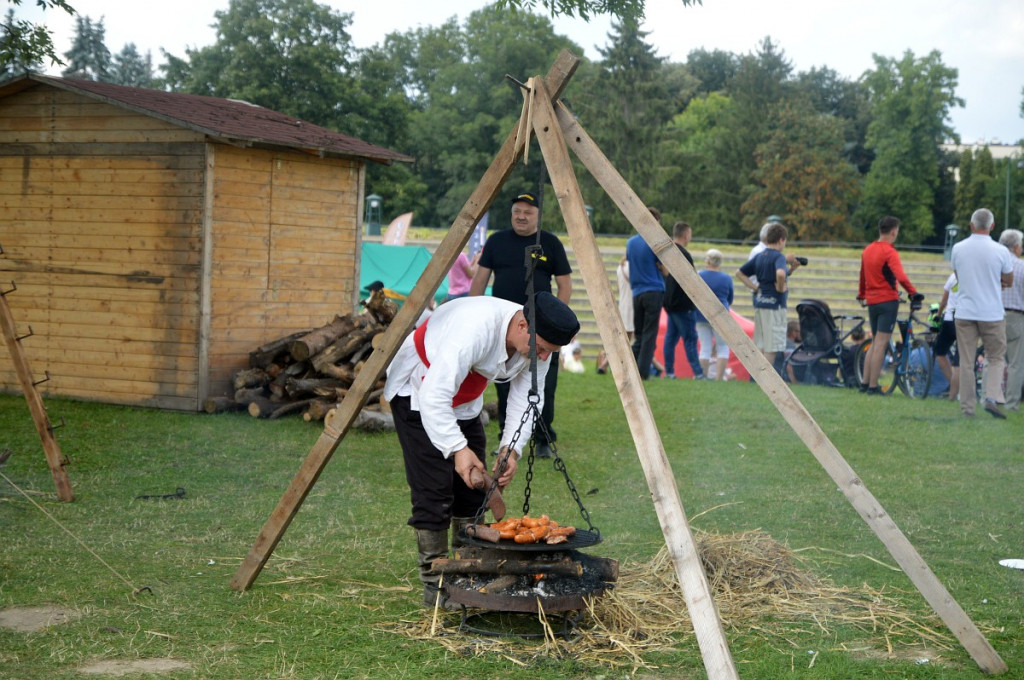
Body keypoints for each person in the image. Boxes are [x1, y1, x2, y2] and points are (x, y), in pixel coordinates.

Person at [384, 292, 579, 607]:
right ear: (521, 325)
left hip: (464, 401)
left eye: (550, 352)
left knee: (473, 490)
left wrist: (510, 449)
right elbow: (435, 394)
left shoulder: (539, 342)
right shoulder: (472, 330)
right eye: (542, 349)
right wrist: (457, 449)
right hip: (418, 393)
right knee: (434, 491)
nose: (544, 357)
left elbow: (528, 397)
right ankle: (436, 586)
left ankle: (465, 572)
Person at [470, 192, 572, 457]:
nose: (522, 216)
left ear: (537, 215)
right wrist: (473, 310)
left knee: (544, 386)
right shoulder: (496, 242)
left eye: (528, 211)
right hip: (504, 329)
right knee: (503, 384)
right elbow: (480, 279)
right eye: (517, 211)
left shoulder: (550, 243)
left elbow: (564, 284)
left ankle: (543, 439)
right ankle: (507, 440)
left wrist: (556, 323)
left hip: (540, 328)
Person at [950, 208, 1014, 418]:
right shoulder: (1001, 251)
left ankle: (968, 409)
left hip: (965, 311)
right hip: (991, 313)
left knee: (967, 362)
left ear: (971, 225)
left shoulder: (958, 248)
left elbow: (959, 277)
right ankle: (991, 397)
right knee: (995, 357)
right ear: (992, 226)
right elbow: (1009, 280)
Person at [857, 216, 919, 395]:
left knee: (875, 341)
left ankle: (865, 382)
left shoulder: (868, 250)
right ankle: (873, 386)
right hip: (887, 301)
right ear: (893, 231)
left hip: (872, 301)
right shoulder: (889, 251)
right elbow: (900, 276)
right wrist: (913, 292)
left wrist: (862, 294)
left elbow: (863, 276)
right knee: (881, 343)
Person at [736, 221, 801, 374]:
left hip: (761, 302)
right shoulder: (778, 256)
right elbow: (779, 274)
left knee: (760, 343)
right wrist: (779, 288)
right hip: (775, 306)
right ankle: (764, 378)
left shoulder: (760, 255)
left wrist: (756, 288)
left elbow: (739, 273)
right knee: (771, 347)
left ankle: (755, 377)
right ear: (781, 240)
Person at [626, 207, 666, 379]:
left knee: (640, 335)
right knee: (650, 335)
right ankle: (642, 373)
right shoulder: (655, 241)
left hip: (637, 292)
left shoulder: (631, 242)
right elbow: (666, 271)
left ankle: (628, 368)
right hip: (654, 289)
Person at [661, 221, 704, 379]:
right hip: (683, 304)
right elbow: (691, 280)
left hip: (670, 303)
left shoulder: (668, 252)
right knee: (690, 339)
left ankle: (670, 372)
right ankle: (698, 373)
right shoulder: (684, 254)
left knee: (670, 339)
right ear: (686, 235)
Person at [695, 248, 733, 381]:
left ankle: (703, 376)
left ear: (708, 260)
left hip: (701, 313)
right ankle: (719, 377)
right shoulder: (726, 278)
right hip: (721, 314)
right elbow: (730, 297)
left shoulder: (699, 275)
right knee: (722, 347)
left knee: (705, 347)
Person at [997, 229, 1024, 410]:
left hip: (993, 315)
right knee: (1016, 363)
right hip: (1016, 316)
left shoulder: (993, 263)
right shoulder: (1021, 266)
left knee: (993, 359)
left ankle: (989, 398)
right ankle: (1012, 403)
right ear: (1015, 247)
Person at [932, 273, 960, 401]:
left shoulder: (953, 276)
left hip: (949, 319)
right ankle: (956, 389)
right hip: (964, 319)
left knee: (940, 353)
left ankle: (953, 389)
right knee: (960, 359)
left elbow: (944, 300)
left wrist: (938, 314)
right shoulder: (973, 275)